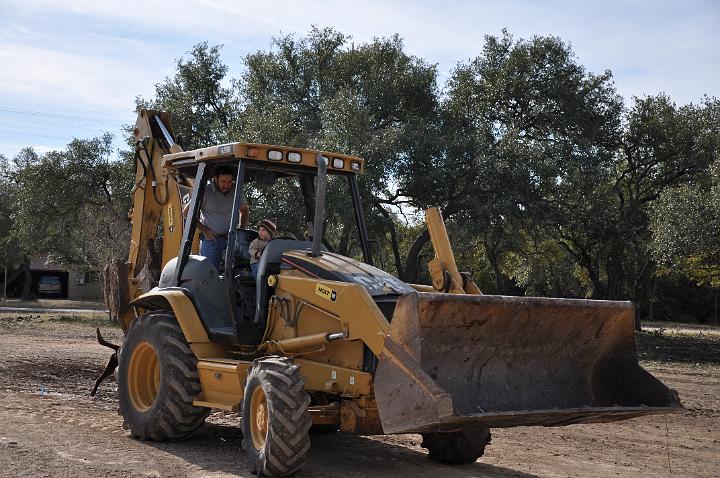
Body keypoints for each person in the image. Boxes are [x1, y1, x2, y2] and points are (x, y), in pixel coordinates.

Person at [184, 165, 249, 271]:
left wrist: (240, 230)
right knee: (210, 273)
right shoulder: (205, 191)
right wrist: (205, 231)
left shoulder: (236, 191)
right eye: (223, 181)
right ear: (215, 179)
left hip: (231, 239)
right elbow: (187, 212)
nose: (227, 185)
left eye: (229, 181)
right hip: (212, 240)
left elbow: (244, 210)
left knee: (238, 271)